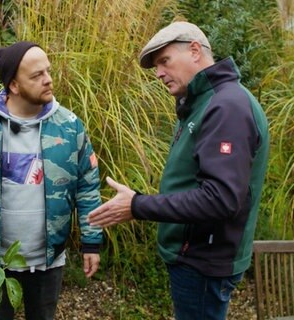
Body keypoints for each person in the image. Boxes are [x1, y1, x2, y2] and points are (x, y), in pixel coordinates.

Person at [88, 21, 269, 320]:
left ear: (195, 51)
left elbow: (220, 199)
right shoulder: (201, 102)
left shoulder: (226, 107)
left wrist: (136, 205)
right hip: (194, 255)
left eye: (164, 61)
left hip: (202, 260)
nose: (158, 73)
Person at [0, 41, 102, 320]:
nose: (49, 80)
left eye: (48, 71)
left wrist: (91, 242)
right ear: (14, 85)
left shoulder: (70, 126)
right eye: (37, 75)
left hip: (48, 260)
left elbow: (87, 186)